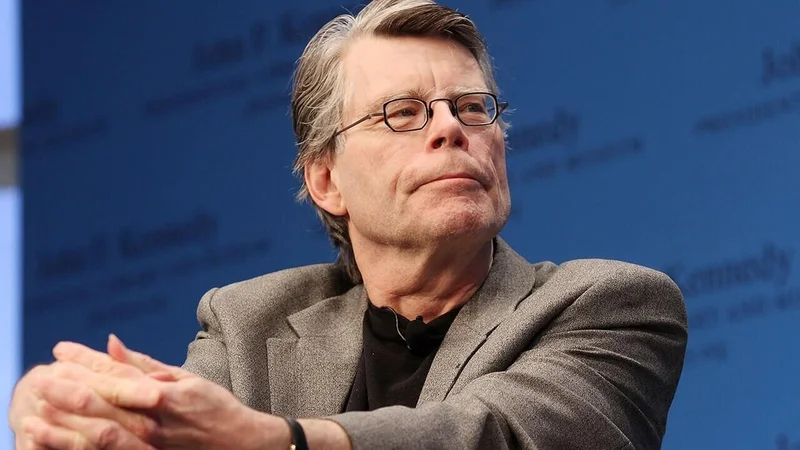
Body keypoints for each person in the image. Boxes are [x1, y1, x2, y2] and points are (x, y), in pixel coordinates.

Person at [8, 0, 688, 448]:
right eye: (403, 113)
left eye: (471, 107)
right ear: (326, 180)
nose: (451, 129)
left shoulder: (610, 305)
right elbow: (175, 433)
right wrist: (84, 415)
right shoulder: (248, 325)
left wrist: (279, 441)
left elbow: (495, 436)